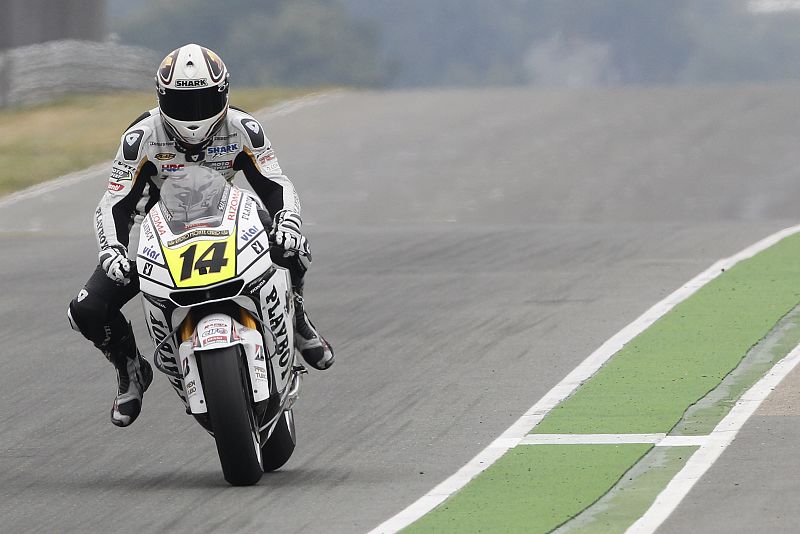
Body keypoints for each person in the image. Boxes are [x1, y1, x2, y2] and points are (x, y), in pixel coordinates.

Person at [67, 44, 334, 428]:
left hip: (229, 220)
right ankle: (131, 369)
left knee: (294, 249)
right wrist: (111, 249)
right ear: (161, 99)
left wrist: (288, 221)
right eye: (181, 103)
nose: (193, 117)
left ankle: (296, 317)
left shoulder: (245, 128)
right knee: (86, 309)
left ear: (223, 95)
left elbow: (275, 184)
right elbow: (114, 202)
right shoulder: (139, 137)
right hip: (156, 233)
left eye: (204, 101)